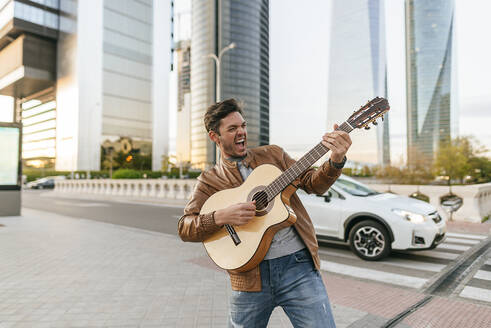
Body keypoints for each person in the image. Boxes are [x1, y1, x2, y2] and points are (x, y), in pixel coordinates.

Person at [178, 98, 352, 327]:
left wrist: (335, 160)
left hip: (298, 269)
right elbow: (185, 227)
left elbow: (313, 184)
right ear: (214, 137)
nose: (241, 132)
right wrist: (220, 216)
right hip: (248, 278)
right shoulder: (209, 180)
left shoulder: (273, 156)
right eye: (232, 129)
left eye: (243, 126)